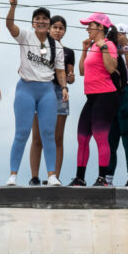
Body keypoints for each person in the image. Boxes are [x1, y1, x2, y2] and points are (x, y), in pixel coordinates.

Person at [5, 0, 67, 187]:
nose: (41, 21)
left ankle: (52, 175)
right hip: (26, 89)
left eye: (45, 19)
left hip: (47, 91)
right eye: (37, 18)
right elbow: (9, 26)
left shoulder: (56, 46)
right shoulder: (25, 36)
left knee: (48, 134)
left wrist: (64, 88)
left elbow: (60, 71)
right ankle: (13, 175)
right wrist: (13, 7)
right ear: (33, 23)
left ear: (49, 23)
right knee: (22, 133)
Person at [69, 12, 120, 187]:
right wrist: (85, 50)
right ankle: (80, 178)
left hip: (106, 95)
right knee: (82, 137)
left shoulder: (109, 44)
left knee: (100, 137)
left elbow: (111, 68)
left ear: (100, 27)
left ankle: (102, 178)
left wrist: (103, 47)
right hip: (91, 97)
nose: (87, 29)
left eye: (90, 25)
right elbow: (82, 71)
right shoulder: (92, 46)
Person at [29, 15, 74, 185]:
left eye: (61, 28)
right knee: (37, 137)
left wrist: (70, 78)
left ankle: (54, 176)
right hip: (40, 90)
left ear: (65, 31)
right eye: (55, 27)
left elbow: (69, 76)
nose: (57, 31)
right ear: (48, 28)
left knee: (57, 138)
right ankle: (34, 177)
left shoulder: (68, 52)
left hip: (60, 92)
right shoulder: (38, 46)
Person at [106, 23, 128, 187]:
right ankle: (107, 178)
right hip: (111, 91)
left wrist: (125, 47)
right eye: (117, 35)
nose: (119, 38)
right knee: (110, 138)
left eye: (122, 34)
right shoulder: (108, 48)